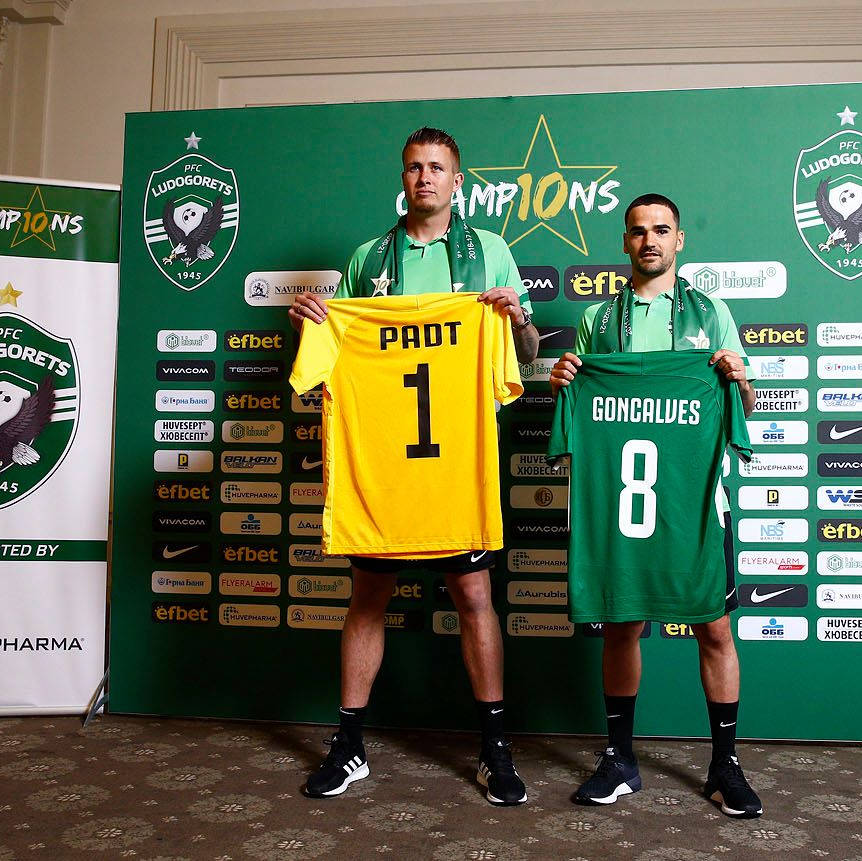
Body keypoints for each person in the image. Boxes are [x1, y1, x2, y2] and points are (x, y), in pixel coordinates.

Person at [288, 127, 539, 805]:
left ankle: (494, 746)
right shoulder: (369, 258)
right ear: (402, 179)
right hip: (385, 465)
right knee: (367, 599)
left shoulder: (490, 252)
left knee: (475, 598)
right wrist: (311, 321)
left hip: (457, 462)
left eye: (436, 167)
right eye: (413, 167)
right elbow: (336, 349)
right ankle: (348, 744)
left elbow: (526, 352)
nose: (424, 177)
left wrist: (516, 319)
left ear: (458, 180)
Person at [549, 193, 763, 818]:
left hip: (694, 498)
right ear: (625, 242)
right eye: (638, 231)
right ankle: (619, 758)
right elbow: (582, 402)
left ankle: (725, 763)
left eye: (661, 230)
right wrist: (564, 383)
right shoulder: (598, 319)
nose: (650, 240)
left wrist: (738, 378)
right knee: (621, 622)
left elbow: (744, 406)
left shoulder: (711, 312)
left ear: (679, 240)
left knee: (714, 625)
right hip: (622, 500)